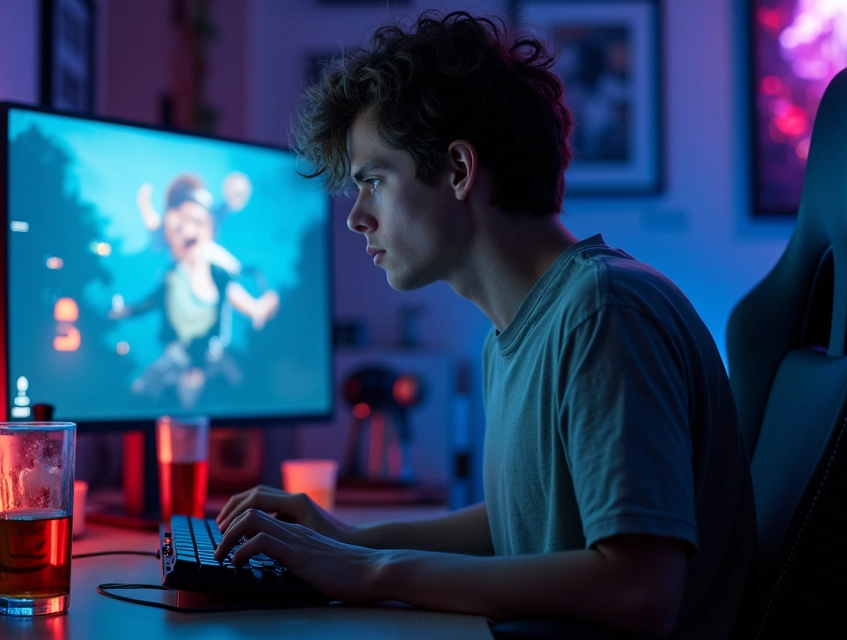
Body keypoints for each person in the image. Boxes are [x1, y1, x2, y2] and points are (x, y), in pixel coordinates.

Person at [213, 11, 756, 639]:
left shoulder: (605, 312)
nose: (357, 217)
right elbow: (517, 521)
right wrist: (346, 540)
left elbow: (638, 588)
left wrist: (374, 570)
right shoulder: (518, 333)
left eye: (374, 182)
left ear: (460, 170)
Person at [112, 174, 280, 408]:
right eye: (178, 226)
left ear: (210, 228)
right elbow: (149, 302)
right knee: (141, 393)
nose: (188, 232)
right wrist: (124, 311)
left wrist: (263, 306)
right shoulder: (171, 279)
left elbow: (252, 306)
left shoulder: (221, 277)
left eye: (197, 222)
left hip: (213, 359)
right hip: (175, 357)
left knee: (240, 390)